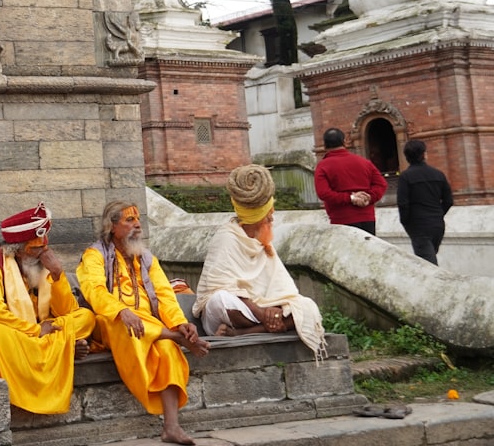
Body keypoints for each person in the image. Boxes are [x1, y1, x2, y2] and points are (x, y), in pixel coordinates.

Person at [76, 201, 209, 445]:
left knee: (168, 350)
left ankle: (171, 427)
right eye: (129, 220)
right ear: (112, 226)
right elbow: (94, 291)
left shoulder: (146, 257)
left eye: (138, 220)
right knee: (123, 323)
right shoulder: (94, 255)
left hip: (148, 324)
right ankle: (170, 335)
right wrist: (121, 311)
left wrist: (180, 322)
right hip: (110, 321)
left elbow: (164, 294)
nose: (137, 225)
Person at [0, 203, 96, 414]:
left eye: (45, 246)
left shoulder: (42, 264)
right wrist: (36, 331)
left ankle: (57, 344)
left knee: (86, 317)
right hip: (16, 334)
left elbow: (67, 311)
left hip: (40, 330)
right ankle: (63, 346)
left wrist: (57, 274)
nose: (44, 253)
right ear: (16, 250)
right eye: (36, 249)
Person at [194, 165, 328, 361]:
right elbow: (219, 287)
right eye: (268, 214)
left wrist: (273, 309)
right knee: (221, 299)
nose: (272, 217)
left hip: (259, 314)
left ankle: (243, 333)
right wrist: (263, 312)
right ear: (258, 217)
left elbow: (281, 287)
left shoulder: (263, 242)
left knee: (307, 306)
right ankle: (267, 325)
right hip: (233, 312)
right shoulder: (227, 237)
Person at [314, 127, 387, 235]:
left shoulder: (323, 166)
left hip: (341, 219)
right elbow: (381, 184)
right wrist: (368, 197)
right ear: (344, 142)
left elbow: (323, 193)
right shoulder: (364, 162)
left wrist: (351, 198)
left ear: (325, 145)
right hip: (367, 217)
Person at [397, 140, 454, 265]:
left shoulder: (406, 177)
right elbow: (448, 200)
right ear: (424, 154)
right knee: (430, 256)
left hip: (417, 224)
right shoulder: (438, 174)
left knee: (427, 264)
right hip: (437, 223)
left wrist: (406, 221)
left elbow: (403, 203)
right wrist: (438, 213)